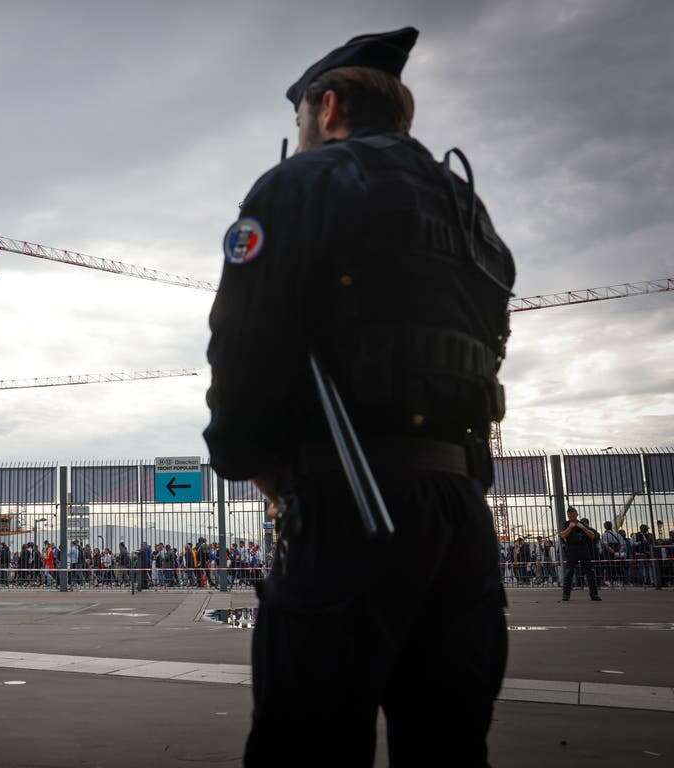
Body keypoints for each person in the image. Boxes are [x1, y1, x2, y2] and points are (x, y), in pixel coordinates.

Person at [205, 27, 514, 766]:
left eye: (301, 121)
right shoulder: (471, 210)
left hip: (349, 504)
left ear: (330, 104)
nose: (302, 135)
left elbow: (242, 339)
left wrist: (251, 461)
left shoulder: (300, 184)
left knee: (306, 744)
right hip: (460, 512)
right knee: (448, 744)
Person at [560, 508, 601, 602]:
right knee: (569, 573)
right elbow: (562, 535)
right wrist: (570, 527)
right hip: (572, 550)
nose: (571, 516)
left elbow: (592, 535)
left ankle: (594, 594)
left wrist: (582, 527)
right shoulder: (566, 524)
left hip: (583, 549)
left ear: (577, 514)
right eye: (569, 515)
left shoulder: (582, 524)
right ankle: (566, 595)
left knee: (590, 572)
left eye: (572, 514)